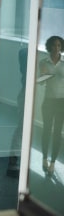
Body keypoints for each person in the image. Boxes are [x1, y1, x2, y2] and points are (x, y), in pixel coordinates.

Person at [39, 35, 64, 175]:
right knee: (46, 130)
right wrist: (45, 75)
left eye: (59, 45)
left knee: (57, 133)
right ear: (49, 47)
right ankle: (44, 159)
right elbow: (40, 82)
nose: (56, 48)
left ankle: (53, 163)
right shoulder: (44, 62)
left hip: (62, 102)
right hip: (48, 101)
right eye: (54, 45)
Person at [6, 47, 28, 178]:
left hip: (28, 93)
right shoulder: (25, 52)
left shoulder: (25, 52)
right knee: (22, 128)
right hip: (26, 93)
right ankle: (13, 161)